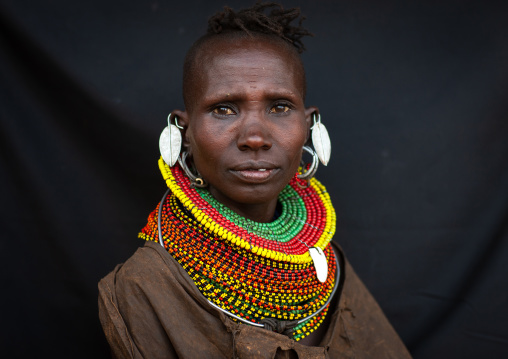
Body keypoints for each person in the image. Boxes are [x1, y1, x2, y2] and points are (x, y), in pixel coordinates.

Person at [98, 3, 412, 358]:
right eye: (224, 109)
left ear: (309, 125)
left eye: (279, 107)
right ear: (184, 131)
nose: (255, 137)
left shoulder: (325, 265)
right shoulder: (145, 284)